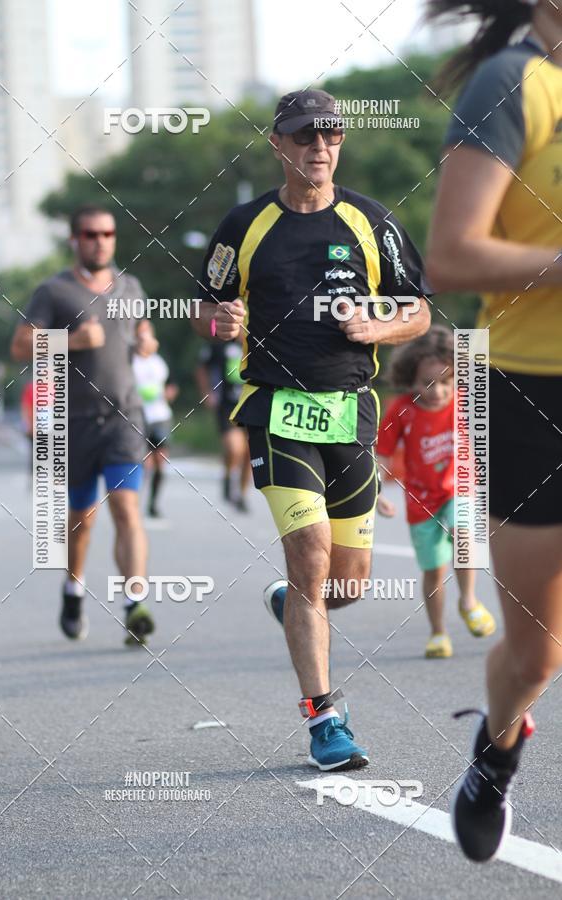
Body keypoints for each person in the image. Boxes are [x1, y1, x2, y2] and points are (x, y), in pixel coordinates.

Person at [192, 88, 432, 771]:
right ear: (279, 145)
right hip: (276, 410)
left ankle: (294, 604)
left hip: (351, 409)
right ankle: (324, 717)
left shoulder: (370, 220)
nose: (319, 147)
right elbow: (205, 310)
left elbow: (417, 311)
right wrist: (219, 322)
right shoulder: (245, 225)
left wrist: (380, 326)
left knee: (345, 584)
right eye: (304, 136)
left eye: (330, 135)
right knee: (310, 553)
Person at [425, 0, 562, 863]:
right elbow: (451, 255)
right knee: (535, 653)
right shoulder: (515, 83)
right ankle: (497, 748)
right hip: (532, 392)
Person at [11, 205, 158, 646]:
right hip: (72, 423)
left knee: (127, 510)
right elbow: (20, 345)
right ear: (75, 239)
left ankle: (135, 605)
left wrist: (148, 340)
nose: (100, 241)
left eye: (108, 234)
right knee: (82, 518)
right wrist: (71, 341)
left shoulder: (130, 286)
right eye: (91, 234)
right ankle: (73, 589)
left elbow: (142, 330)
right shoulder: (54, 291)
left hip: (123, 418)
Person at [376, 325, 496, 658]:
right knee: (433, 570)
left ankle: (469, 601)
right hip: (420, 501)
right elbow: (383, 453)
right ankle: (438, 632)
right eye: (428, 382)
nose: (439, 391)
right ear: (410, 378)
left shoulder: (464, 403)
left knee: (463, 534)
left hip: (460, 487)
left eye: (446, 382)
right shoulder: (401, 409)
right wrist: (377, 491)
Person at [195, 339, 251, 511]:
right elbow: (201, 368)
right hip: (226, 404)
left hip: (251, 402)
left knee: (250, 452)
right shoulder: (219, 344)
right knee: (235, 448)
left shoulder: (257, 341)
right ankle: (227, 476)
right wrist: (207, 393)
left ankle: (242, 494)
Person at [132, 349, 178, 519]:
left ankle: (153, 503)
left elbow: (172, 384)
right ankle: (134, 502)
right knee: (146, 463)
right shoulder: (131, 360)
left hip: (161, 417)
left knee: (160, 462)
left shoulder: (160, 361)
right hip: (138, 417)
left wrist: (170, 392)